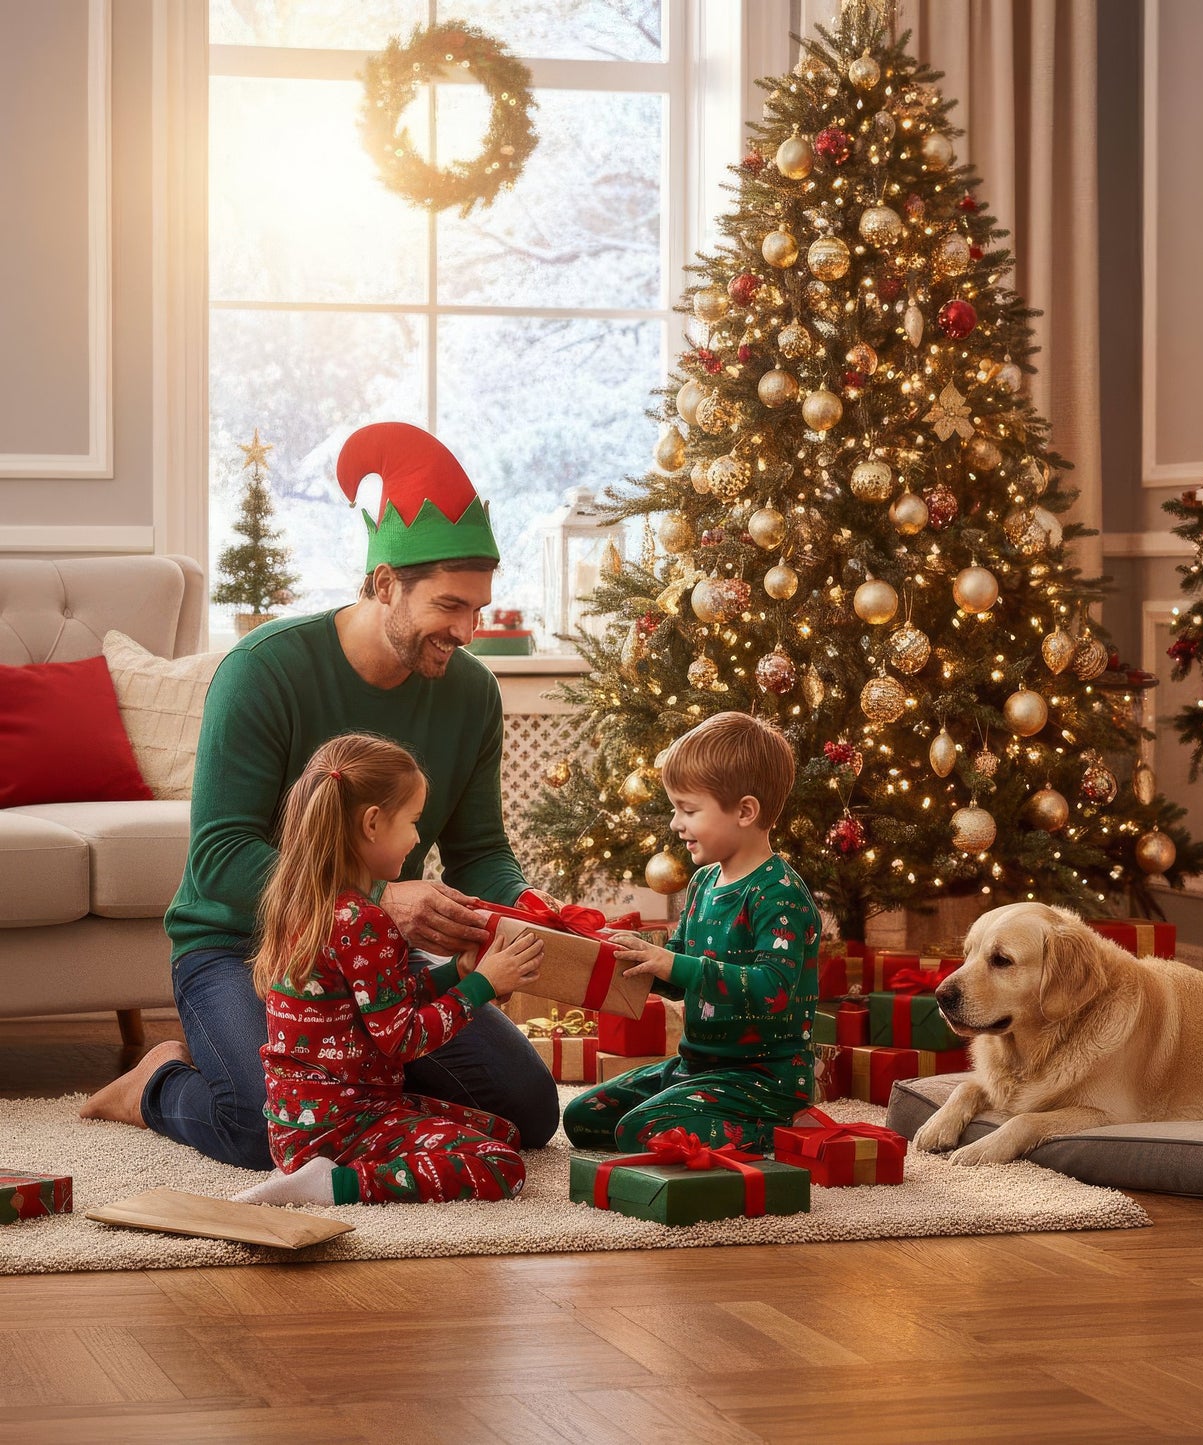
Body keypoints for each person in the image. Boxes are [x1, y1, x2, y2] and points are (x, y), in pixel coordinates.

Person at [82, 422, 561, 1166]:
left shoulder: (470, 694)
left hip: (370, 958)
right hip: (244, 947)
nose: (467, 629)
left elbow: (480, 849)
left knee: (527, 1111)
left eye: (478, 607)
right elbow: (219, 858)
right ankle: (153, 1085)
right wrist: (374, 901)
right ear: (382, 585)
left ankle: (361, 1089)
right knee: (263, 1130)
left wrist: (529, 912)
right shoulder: (264, 671)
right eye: (448, 606)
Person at [233, 734, 545, 1207]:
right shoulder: (365, 922)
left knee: (502, 1130)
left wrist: (455, 973)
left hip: (302, 1123)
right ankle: (330, 1186)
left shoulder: (308, 906)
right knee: (502, 1165)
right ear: (373, 823)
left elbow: (381, 1002)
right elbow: (402, 1041)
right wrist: (483, 986)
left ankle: (321, 1169)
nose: (419, 838)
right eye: (414, 822)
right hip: (345, 1124)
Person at [563, 711, 821, 1153]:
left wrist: (675, 963)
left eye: (688, 809)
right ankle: (701, 1115)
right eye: (674, 808)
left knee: (639, 1131)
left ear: (744, 811)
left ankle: (783, 1130)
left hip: (763, 1077)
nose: (674, 823)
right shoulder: (703, 882)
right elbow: (680, 969)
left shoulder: (779, 896)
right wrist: (622, 950)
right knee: (584, 1118)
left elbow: (773, 989)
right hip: (696, 1067)